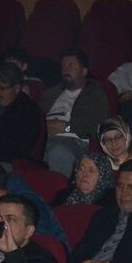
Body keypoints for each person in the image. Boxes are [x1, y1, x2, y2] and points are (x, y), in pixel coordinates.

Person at [39, 48, 110, 176]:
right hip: (45, 138)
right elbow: (36, 116)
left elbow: (98, 126)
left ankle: (57, 192)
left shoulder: (95, 95)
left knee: (59, 151)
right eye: (63, 66)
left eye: (71, 65)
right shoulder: (51, 93)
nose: (66, 69)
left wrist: (67, 128)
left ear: (84, 71)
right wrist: (43, 127)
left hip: (73, 140)